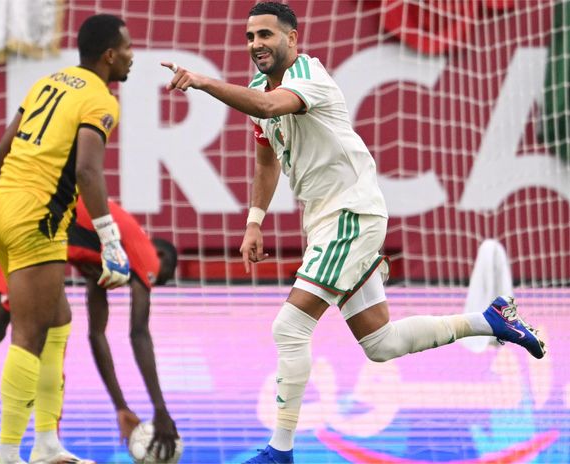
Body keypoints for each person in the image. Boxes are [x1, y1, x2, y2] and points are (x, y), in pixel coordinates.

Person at [161, 2, 547, 464]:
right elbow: (266, 156)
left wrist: (202, 82)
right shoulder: (258, 90)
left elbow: (268, 106)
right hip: (326, 221)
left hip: (351, 214)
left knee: (289, 327)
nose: (256, 45)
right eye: (249, 37)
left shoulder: (309, 75)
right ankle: (489, 320)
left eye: (266, 35)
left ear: (292, 39)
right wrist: (254, 220)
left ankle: (279, 452)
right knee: (380, 344)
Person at [0, 198, 180, 464]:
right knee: (4, 326)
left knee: (54, 324)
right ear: (161, 257)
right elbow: (138, 333)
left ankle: (47, 446)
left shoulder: (108, 252)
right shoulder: (146, 254)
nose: (144, 286)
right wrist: (160, 410)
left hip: (20, 215)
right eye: (157, 281)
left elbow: (96, 334)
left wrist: (121, 407)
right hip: (31, 226)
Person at [0, 13, 131, 464]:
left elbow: (1, 151)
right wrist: (110, 240)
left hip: (1, 208)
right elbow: (88, 169)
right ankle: (7, 455)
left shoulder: (49, 83)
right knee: (27, 334)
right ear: (108, 55)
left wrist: (17, 199)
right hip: (35, 219)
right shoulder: (100, 99)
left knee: (58, 320)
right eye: (126, 48)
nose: (131, 56)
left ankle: (46, 443)